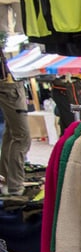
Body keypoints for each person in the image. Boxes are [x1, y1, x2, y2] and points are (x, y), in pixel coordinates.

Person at [0, 59, 31, 196]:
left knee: (12, 135)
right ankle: (14, 184)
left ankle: (7, 180)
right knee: (22, 137)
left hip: (7, 84)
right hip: (7, 86)